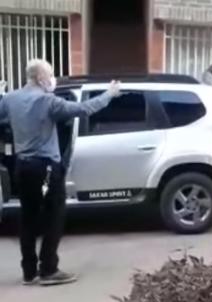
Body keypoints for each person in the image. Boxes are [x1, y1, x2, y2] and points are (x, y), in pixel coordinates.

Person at [0, 59, 121, 286]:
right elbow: (84, 109)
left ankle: (29, 272)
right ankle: (48, 270)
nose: (52, 78)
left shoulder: (11, 99)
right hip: (45, 169)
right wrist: (109, 94)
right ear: (40, 78)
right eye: (50, 74)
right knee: (54, 216)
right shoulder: (47, 101)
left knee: (28, 218)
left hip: (22, 167)